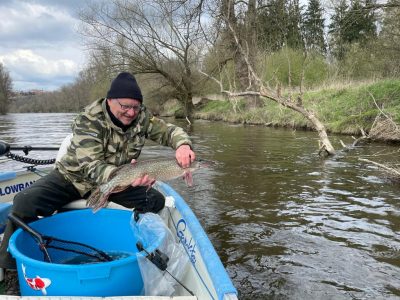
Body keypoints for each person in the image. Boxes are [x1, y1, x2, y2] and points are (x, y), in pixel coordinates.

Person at [0, 72, 195, 295]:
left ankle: (139, 249)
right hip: (73, 178)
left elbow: (170, 131)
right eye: (125, 106)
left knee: (155, 201)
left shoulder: (141, 117)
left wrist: (182, 145)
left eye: (136, 107)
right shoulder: (88, 119)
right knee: (24, 202)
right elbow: (91, 166)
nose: (131, 112)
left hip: (119, 180)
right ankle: (12, 270)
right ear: (110, 100)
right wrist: (130, 176)